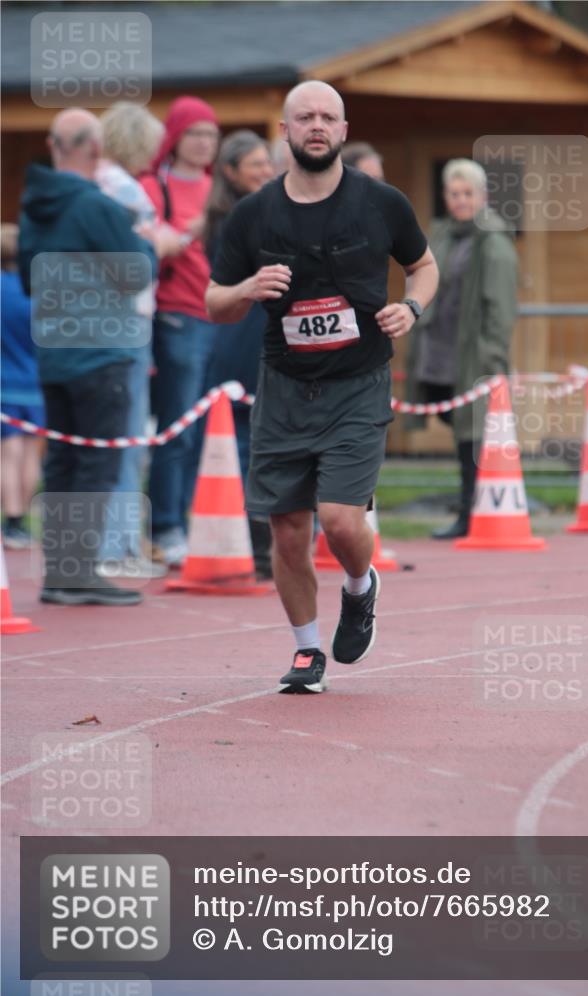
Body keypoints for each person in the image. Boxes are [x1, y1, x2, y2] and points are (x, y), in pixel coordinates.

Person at [206, 80, 438, 694]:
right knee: (286, 528)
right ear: (284, 130)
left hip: (358, 381)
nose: (316, 125)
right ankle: (307, 651)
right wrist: (246, 290)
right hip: (283, 385)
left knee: (337, 519)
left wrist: (411, 308)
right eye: (303, 116)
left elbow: (424, 265)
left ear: (342, 130)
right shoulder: (253, 215)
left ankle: (361, 587)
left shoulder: (381, 202)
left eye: (327, 117)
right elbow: (213, 303)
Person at [18, 108, 157, 605]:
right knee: (97, 461)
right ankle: (76, 576)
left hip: (55, 350)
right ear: (96, 150)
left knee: (64, 461)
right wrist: (144, 245)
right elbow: (138, 273)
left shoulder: (35, 205)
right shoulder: (96, 206)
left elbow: (31, 280)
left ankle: (61, 572)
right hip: (101, 351)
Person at [405, 159, 517, 539]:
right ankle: (472, 505)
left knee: (473, 430)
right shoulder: (443, 235)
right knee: (459, 424)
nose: (460, 201)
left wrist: (492, 357)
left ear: (482, 196)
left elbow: (500, 306)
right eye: (454, 194)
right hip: (440, 348)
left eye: (468, 193)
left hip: (475, 351)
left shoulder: (494, 241)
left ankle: (473, 511)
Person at [95, 101, 181, 580]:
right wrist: (175, 239)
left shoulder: (91, 183)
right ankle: (119, 546)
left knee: (97, 439)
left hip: (92, 323)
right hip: (127, 321)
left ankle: (104, 544)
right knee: (127, 438)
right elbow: (151, 245)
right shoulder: (127, 189)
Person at [141, 96, 220, 568]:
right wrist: (193, 229)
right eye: (196, 133)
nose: (205, 143)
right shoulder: (154, 186)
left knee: (209, 430)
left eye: (211, 135)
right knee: (177, 428)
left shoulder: (217, 187)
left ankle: (190, 523)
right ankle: (165, 526)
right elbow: (153, 249)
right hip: (177, 316)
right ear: (176, 137)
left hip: (219, 318)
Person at [201, 130, 275, 579]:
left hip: (252, 330)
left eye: (268, 163)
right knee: (248, 440)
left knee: (256, 440)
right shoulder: (237, 219)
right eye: (255, 165)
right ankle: (256, 546)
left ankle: (260, 543)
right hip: (244, 334)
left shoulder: (248, 212)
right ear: (231, 172)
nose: (266, 172)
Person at [1, 223, 44, 549]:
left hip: (4, 384)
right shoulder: (37, 292)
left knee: (8, 455)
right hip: (36, 384)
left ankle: (11, 518)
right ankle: (23, 522)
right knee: (30, 453)